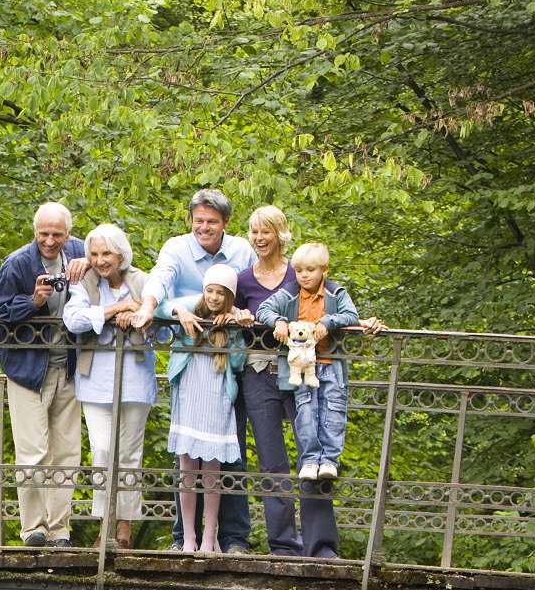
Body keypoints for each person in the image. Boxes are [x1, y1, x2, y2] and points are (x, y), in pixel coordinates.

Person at [141, 189, 254, 552]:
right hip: (190, 361)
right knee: (188, 456)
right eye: (198, 220)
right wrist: (177, 309)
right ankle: (183, 537)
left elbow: (250, 296)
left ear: (225, 224)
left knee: (228, 451)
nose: (203, 227)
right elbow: (158, 282)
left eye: (212, 222)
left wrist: (240, 315)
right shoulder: (177, 248)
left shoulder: (241, 251)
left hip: (228, 362)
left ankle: (231, 537)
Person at [0, 202, 88, 548]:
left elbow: (115, 265)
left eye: (57, 234)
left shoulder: (78, 252)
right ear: (35, 232)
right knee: (32, 452)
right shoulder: (17, 264)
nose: (50, 240)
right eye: (43, 233)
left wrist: (88, 263)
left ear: (68, 234)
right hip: (28, 371)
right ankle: (33, 529)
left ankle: (60, 530)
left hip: (69, 368)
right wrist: (33, 302)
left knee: (67, 452)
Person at [256, 242, 383, 497]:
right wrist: (278, 321)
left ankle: (329, 461)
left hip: (330, 363)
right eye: (300, 270)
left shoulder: (336, 293)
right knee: (306, 411)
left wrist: (327, 321)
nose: (304, 275)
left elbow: (350, 314)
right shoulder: (290, 292)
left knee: (333, 410)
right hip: (302, 365)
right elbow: (263, 309)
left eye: (310, 270)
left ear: (324, 271)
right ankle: (310, 459)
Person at [61, 223, 155, 550]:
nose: (101, 261)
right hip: (95, 380)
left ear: (121, 254)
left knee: (129, 454)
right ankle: (105, 524)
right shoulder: (86, 282)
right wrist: (116, 309)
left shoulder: (142, 281)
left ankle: (125, 527)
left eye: (107, 254)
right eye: (95, 254)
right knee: (102, 452)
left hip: (135, 379)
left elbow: (156, 317)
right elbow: (73, 321)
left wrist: (139, 311)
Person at [231, 205, 316, 556]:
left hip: (297, 370)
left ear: (280, 234)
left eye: (266, 231)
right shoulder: (243, 279)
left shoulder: (296, 276)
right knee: (272, 460)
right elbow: (225, 312)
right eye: (254, 231)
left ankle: (316, 542)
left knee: (311, 453)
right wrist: (238, 314)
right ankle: (283, 544)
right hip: (257, 372)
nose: (259, 238)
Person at [164, 265, 246, 554]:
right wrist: (180, 313)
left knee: (212, 472)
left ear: (229, 297)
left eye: (220, 293)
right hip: (189, 393)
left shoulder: (230, 322)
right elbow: (161, 306)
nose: (213, 297)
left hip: (216, 398)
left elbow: (236, 365)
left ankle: (210, 539)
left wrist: (234, 328)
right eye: (210, 290)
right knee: (187, 470)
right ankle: (188, 537)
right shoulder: (192, 311)